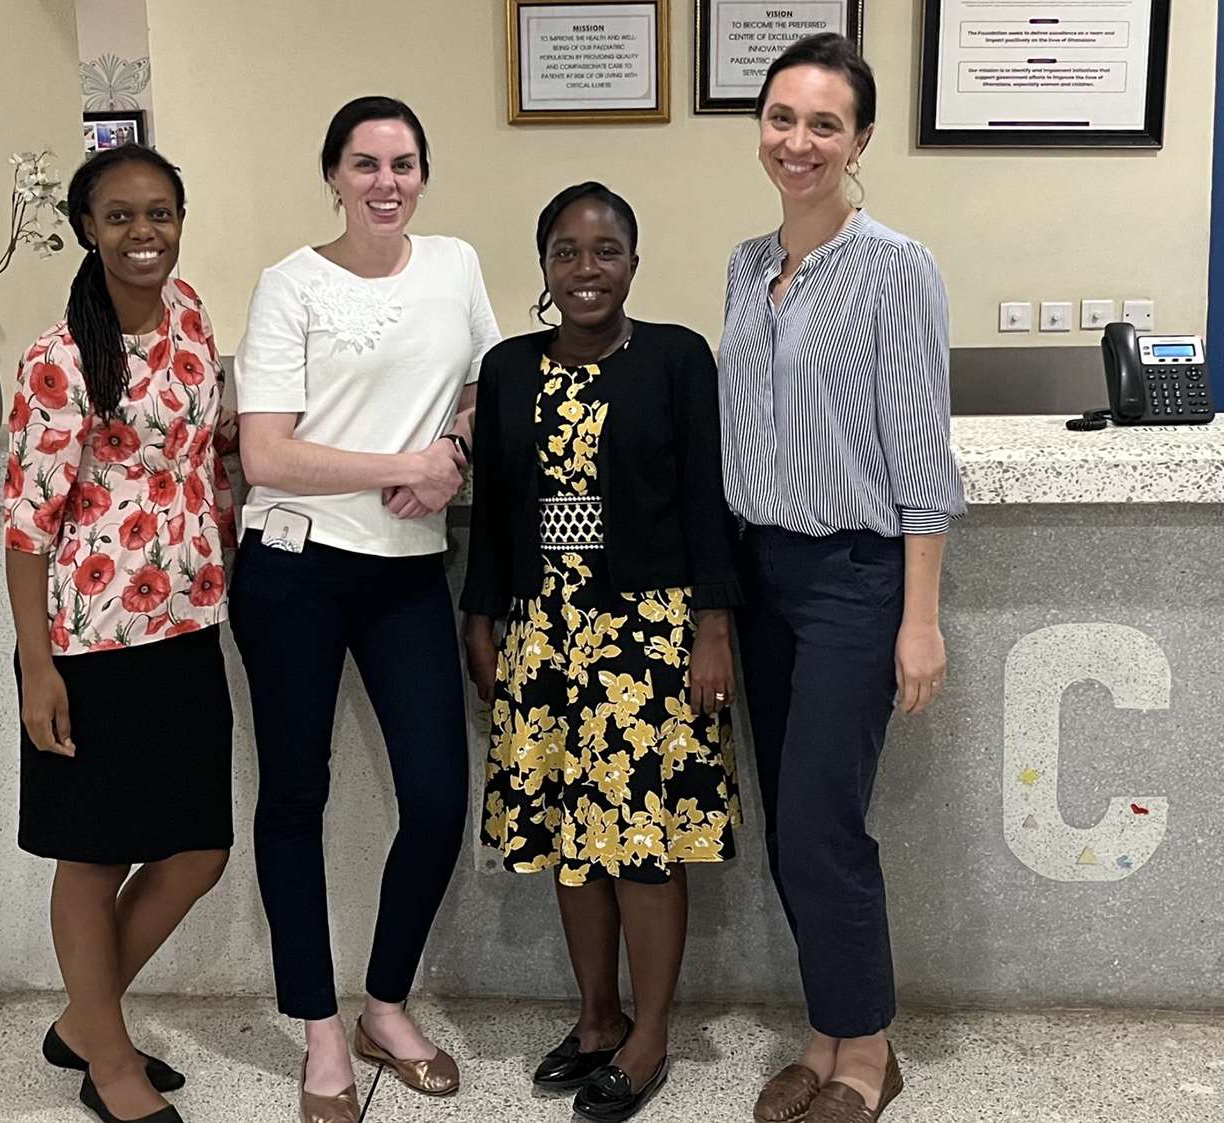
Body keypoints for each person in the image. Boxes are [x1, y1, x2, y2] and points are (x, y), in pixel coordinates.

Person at [229, 95, 501, 1123]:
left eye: (403, 163)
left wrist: (453, 455)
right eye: (365, 164)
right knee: (295, 796)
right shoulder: (289, 284)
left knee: (436, 796)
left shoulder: (455, 266)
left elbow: (488, 387)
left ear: (422, 174)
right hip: (291, 569)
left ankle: (385, 1004)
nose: (386, 182)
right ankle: (321, 1032)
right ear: (334, 176)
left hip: (404, 570)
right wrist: (403, 466)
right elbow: (265, 452)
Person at [717, 32, 966, 1123]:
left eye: (825, 123)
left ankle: (866, 1050)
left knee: (825, 823)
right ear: (760, 130)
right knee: (790, 822)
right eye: (782, 118)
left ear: (859, 141)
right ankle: (822, 1034)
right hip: (761, 573)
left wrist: (921, 617)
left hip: (854, 580)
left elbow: (920, 455)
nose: (799, 141)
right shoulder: (744, 265)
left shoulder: (896, 268)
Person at [461, 182, 742, 1123]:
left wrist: (714, 626)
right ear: (544, 267)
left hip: (649, 633)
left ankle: (649, 1034)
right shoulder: (508, 367)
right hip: (543, 626)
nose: (587, 269)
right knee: (571, 838)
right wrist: (480, 615)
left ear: (634, 261)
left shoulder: (676, 357)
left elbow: (705, 496)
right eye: (567, 252)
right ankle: (595, 1019)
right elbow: (495, 511)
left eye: (606, 249)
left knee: (642, 839)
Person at [2, 144, 237, 1123]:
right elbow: (25, 526)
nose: (145, 233)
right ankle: (109, 1061)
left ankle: (82, 1021)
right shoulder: (58, 358)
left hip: (187, 627)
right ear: (87, 230)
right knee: (93, 857)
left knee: (198, 850)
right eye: (121, 216)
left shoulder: (190, 315)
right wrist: (37, 669)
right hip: (88, 646)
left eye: (160, 213)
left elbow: (209, 451)